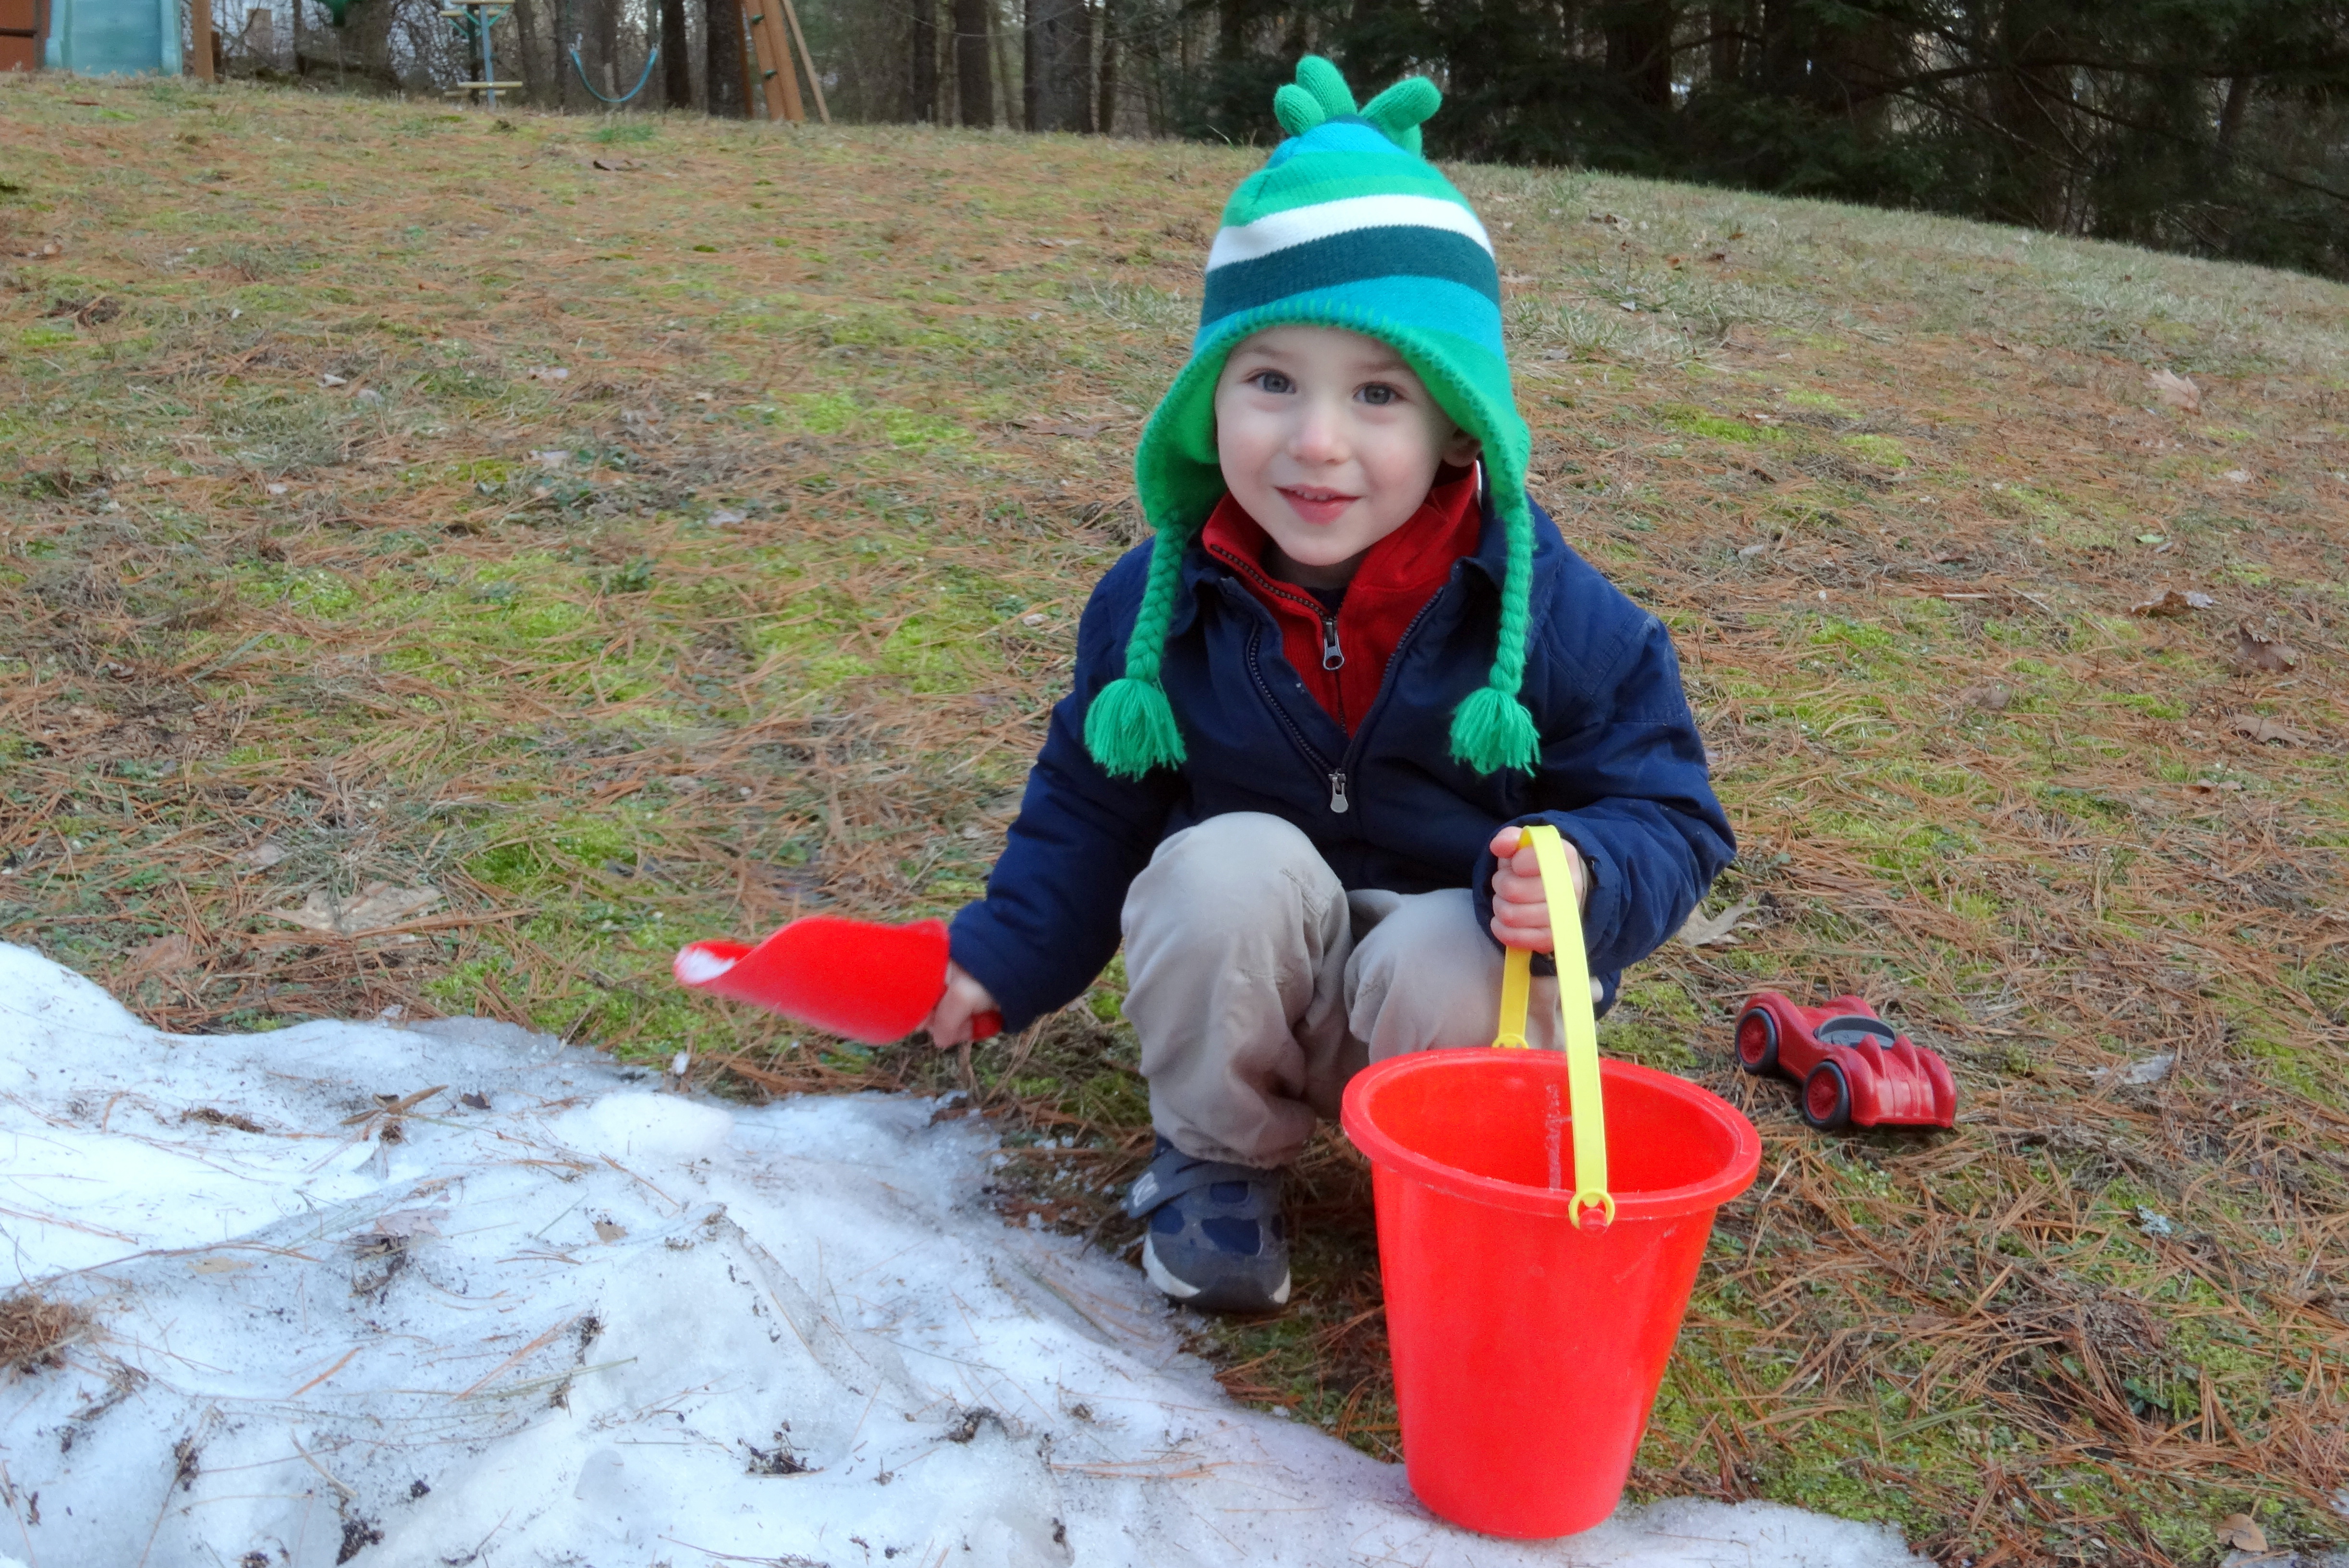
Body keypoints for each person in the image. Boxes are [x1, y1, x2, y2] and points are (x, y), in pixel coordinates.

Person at [923, 57, 1733, 1313]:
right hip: (1263, 982)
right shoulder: (1159, 603)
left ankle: (1455, 1177)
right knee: (1215, 868)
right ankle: (1217, 1158)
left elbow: (1670, 813)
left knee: (1446, 948)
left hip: (1446, 999)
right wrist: (1003, 957)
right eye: (1270, 381)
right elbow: (1090, 801)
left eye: (1377, 394)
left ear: (1458, 427)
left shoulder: (1560, 619)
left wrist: (1583, 873)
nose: (1315, 441)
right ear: (1207, 401)